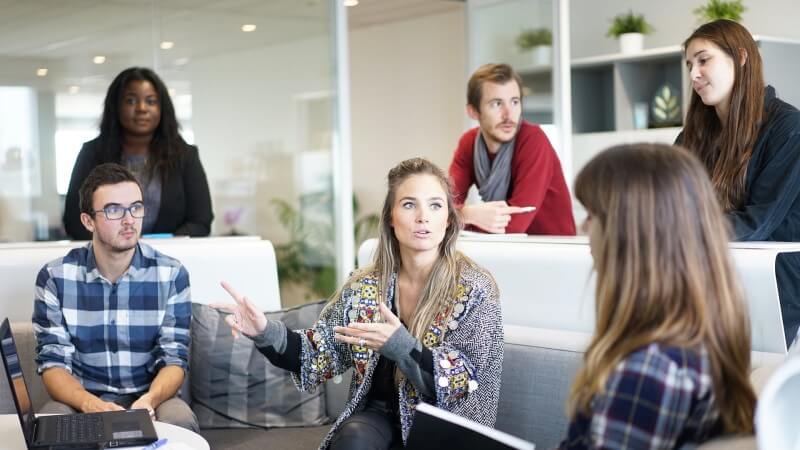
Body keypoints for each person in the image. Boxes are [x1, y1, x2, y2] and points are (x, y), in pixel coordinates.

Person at [213, 158, 503, 450]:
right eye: (409, 204)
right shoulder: (365, 285)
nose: (423, 217)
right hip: (378, 419)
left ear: (449, 219)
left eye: (435, 205)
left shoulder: (475, 288)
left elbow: (463, 381)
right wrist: (265, 331)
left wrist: (402, 347)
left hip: (444, 427)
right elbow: (318, 354)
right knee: (353, 438)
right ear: (391, 216)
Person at [560, 144, 756, 449]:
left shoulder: (650, 372)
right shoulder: (697, 340)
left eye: (591, 215)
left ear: (627, 233)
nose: (584, 229)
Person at [34, 163, 197, 431]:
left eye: (136, 207)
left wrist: (149, 400)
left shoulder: (171, 274)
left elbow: (174, 358)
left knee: (179, 420)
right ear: (88, 221)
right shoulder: (55, 277)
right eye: (113, 210)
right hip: (82, 400)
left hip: (151, 398)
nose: (129, 219)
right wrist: (91, 405)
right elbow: (53, 364)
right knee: (50, 423)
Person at [677, 19, 800, 345]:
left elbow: (758, 222)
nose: (693, 75)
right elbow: (667, 202)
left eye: (704, 60)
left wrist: (678, 231)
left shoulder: (789, 128)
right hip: (709, 274)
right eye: (690, 65)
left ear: (741, 57)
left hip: (774, 286)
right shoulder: (692, 136)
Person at [63, 66, 213, 240]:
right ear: (116, 106)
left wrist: (158, 247)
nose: (142, 108)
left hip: (170, 259)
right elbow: (74, 222)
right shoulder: (92, 154)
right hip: (107, 261)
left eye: (151, 101)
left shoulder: (185, 156)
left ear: (162, 108)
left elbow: (201, 221)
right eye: (131, 101)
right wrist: (120, 245)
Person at [448, 63, 575, 235]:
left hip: (553, 251)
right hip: (506, 250)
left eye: (515, 102)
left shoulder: (533, 140)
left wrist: (461, 216)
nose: (509, 114)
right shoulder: (469, 143)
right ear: (473, 112)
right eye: (496, 104)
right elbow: (442, 208)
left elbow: (514, 226)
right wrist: (468, 214)